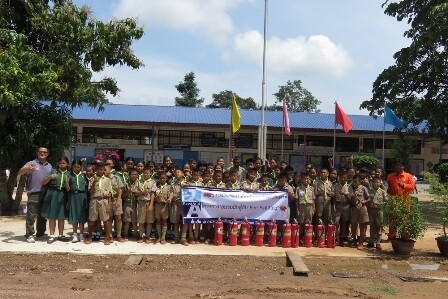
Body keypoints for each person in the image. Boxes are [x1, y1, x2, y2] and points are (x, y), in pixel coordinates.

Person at [19, 147, 53, 243]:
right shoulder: (31, 163)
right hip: (34, 193)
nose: (42, 153)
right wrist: (27, 168)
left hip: (45, 193)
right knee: (31, 215)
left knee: (43, 215)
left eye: (44, 152)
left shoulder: (49, 166)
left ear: (47, 153)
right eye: (40, 152)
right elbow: (20, 172)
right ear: (37, 153)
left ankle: (41, 233)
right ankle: (29, 234)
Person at [41, 156, 70, 244]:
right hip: (53, 193)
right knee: (52, 215)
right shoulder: (53, 171)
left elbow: (69, 189)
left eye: (64, 163)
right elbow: (43, 182)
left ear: (67, 164)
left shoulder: (69, 173)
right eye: (60, 163)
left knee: (61, 216)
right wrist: (50, 177)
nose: (62, 164)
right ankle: (52, 235)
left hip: (62, 194)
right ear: (57, 163)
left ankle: (61, 234)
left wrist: (67, 183)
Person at [386, 158, 416, 239]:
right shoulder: (390, 176)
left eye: (400, 165)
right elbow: (387, 187)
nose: (398, 167)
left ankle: (404, 236)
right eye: (396, 165)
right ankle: (392, 236)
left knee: (405, 219)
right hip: (393, 201)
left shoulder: (408, 176)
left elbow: (412, 186)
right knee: (392, 219)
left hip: (404, 202)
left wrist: (404, 185)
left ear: (403, 166)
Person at [85, 162, 113, 245]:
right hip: (94, 200)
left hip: (104, 200)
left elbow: (110, 193)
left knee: (106, 220)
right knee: (92, 220)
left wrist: (109, 204)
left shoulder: (107, 180)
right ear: (96, 170)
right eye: (99, 169)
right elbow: (90, 191)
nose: (101, 171)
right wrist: (94, 182)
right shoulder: (92, 179)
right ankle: (90, 236)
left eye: (102, 169)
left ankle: (107, 238)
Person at [67, 160, 88, 243]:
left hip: (82, 196)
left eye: (78, 167)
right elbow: (68, 189)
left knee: (81, 217)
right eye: (74, 167)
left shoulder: (84, 175)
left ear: (81, 167)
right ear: (72, 167)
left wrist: (86, 200)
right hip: (73, 196)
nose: (76, 168)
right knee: (74, 216)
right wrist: (66, 183)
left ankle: (81, 235)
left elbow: (86, 189)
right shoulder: (69, 175)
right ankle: (75, 235)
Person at [104, 163, 125, 243]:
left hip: (116, 199)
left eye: (105, 169)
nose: (104, 171)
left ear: (110, 170)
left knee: (118, 217)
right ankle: (110, 235)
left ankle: (119, 235)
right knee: (108, 218)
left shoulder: (116, 178)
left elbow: (120, 188)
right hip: (107, 200)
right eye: (103, 170)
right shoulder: (103, 179)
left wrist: (119, 199)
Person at [349, 175, 370, 250]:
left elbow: (368, 198)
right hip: (354, 208)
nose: (354, 183)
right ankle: (354, 240)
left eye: (356, 182)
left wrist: (363, 202)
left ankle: (361, 242)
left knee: (362, 226)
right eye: (353, 182)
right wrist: (351, 196)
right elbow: (349, 200)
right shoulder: (350, 187)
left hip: (362, 208)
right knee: (354, 225)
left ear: (359, 181)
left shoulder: (363, 188)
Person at [296, 172, 315, 244]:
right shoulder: (299, 188)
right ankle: (300, 238)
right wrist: (297, 209)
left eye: (307, 179)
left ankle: (307, 237)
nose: (306, 180)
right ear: (302, 180)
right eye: (304, 179)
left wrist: (314, 208)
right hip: (302, 206)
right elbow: (297, 200)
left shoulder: (311, 188)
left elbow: (313, 199)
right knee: (301, 222)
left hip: (309, 206)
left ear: (309, 180)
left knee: (309, 222)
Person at [368, 177, 387, 250]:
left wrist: (380, 203)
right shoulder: (369, 191)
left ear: (380, 183)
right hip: (371, 210)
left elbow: (387, 201)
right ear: (372, 183)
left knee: (379, 226)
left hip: (379, 210)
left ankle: (378, 242)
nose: (376, 184)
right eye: (374, 182)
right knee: (372, 226)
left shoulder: (382, 191)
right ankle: (371, 241)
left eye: (378, 182)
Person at [138, 167, 156, 243]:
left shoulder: (152, 182)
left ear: (150, 173)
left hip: (148, 202)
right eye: (144, 173)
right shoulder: (139, 181)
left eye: (147, 173)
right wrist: (142, 192)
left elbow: (152, 194)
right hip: (141, 202)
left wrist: (151, 204)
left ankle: (148, 236)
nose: (145, 174)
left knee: (149, 221)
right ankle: (141, 236)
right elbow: (135, 192)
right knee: (141, 221)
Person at [154, 173, 172, 244]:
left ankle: (163, 237)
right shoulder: (156, 187)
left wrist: (164, 208)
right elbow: (154, 198)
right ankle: (159, 236)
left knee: (164, 221)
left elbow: (169, 198)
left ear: (166, 179)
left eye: (164, 178)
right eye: (161, 178)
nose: (162, 179)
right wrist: (156, 197)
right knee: (158, 220)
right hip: (157, 205)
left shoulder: (169, 187)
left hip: (165, 205)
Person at [123, 168, 141, 242]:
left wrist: (136, 193)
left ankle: (135, 234)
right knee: (127, 221)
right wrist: (128, 191)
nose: (134, 176)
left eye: (135, 174)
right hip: (127, 203)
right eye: (132, 174)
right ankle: (125, 234)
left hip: (135, 203)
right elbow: (122, 195)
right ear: (129, 175)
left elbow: (141, 194)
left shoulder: (140, 183)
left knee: (134, 221)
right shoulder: (126, 183)